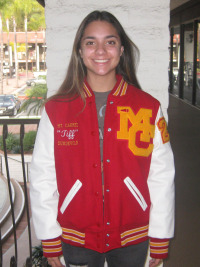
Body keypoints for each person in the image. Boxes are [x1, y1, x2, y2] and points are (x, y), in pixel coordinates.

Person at [30, 10, 175, 267]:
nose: (100, 50)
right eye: (90, 42)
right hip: (75, 235)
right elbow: (42, 177)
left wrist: (160, 236)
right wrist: (49, 237)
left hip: (134, 235)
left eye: (110, 42)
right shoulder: (56, 110)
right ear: (79, 51)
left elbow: (161, 177)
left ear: (121, 50)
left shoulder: (148, 108)